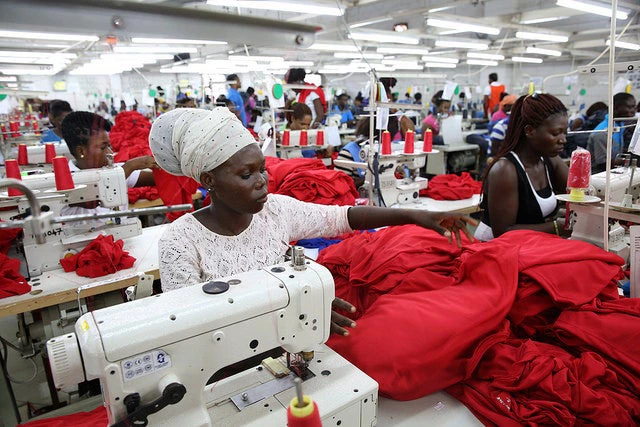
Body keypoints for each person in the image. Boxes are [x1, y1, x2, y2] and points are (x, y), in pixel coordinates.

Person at [150, 108, 476, 334]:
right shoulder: (180, 241)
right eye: (246, 174)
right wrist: (293, 313)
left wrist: (412, 215)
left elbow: (343, 217)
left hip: (287, 343)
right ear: (209, 179)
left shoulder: (275, 211)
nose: (262, 180)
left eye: (262, 169)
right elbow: (192, 328)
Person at [475, 93, 570, 241]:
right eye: (556, 133)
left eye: (565, 132)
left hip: (529, 246)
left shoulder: (550, 160)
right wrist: (556, 226)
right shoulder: (504, 170)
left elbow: (580, 192)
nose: (563, 140)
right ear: (529, 131)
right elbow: (503, 232)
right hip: (493, 249)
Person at [60, 112, 157, 228]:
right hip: (85, 245)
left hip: (119, 238)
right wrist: (130, 166)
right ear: (81, 151)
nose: (110, 153)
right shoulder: (66, 182)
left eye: (109, 146)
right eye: (103, 147)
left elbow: (157, 179)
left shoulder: (113, 170)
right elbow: (93, 195)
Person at [588, 92, 637, 173]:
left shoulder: (620, 125)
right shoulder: (602, 132)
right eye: (630, 107)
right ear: (615, 108)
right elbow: (603, 164)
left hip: (613, 173)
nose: (633, 111)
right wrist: (630, 161)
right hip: (597, 177)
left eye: (634, 107)